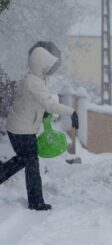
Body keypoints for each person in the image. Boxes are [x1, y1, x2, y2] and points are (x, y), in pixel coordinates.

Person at [0, 42, 79, 211]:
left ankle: (3, 175)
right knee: (31, 162)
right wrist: (71, 112)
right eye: (47, 66)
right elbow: (50, 104)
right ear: (40, 64)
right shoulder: (33, 81)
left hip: (19, 126)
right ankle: (36, 202)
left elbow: (30, 100)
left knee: (24, 159)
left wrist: (41, 110)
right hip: (22, 129)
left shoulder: (34, 78)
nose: (49, 69)